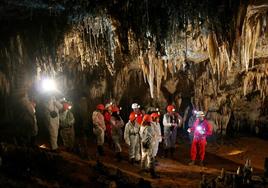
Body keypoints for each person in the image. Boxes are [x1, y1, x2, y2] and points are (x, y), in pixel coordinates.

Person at [139, 114, 160, 178]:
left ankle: (142, 169)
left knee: (143, 157)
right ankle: (152, 174)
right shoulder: (149, 127)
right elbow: (153, 135)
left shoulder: (142, 126)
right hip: (148, 144)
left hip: (143, 143)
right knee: (151, 159)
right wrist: (157, 137)